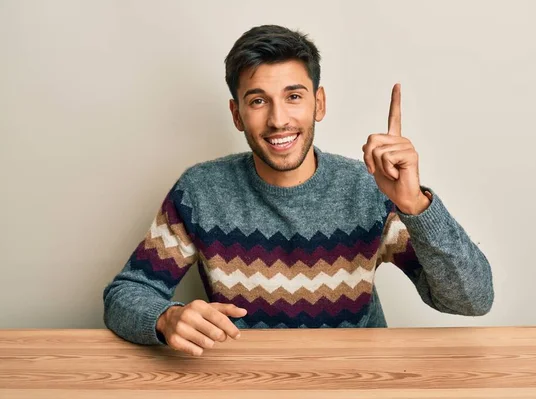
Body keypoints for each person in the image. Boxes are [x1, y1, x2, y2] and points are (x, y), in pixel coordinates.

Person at [103, 24, 494, 357]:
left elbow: (472, 300)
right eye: (258, 101)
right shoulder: (201, 192)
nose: (278, 120)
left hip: (357, 382)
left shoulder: (369, 190)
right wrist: (164, 317)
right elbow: (127, 292)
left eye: (293, 96)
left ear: (318, 104)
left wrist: (416, 205)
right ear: (237, 115)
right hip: (247, 383)